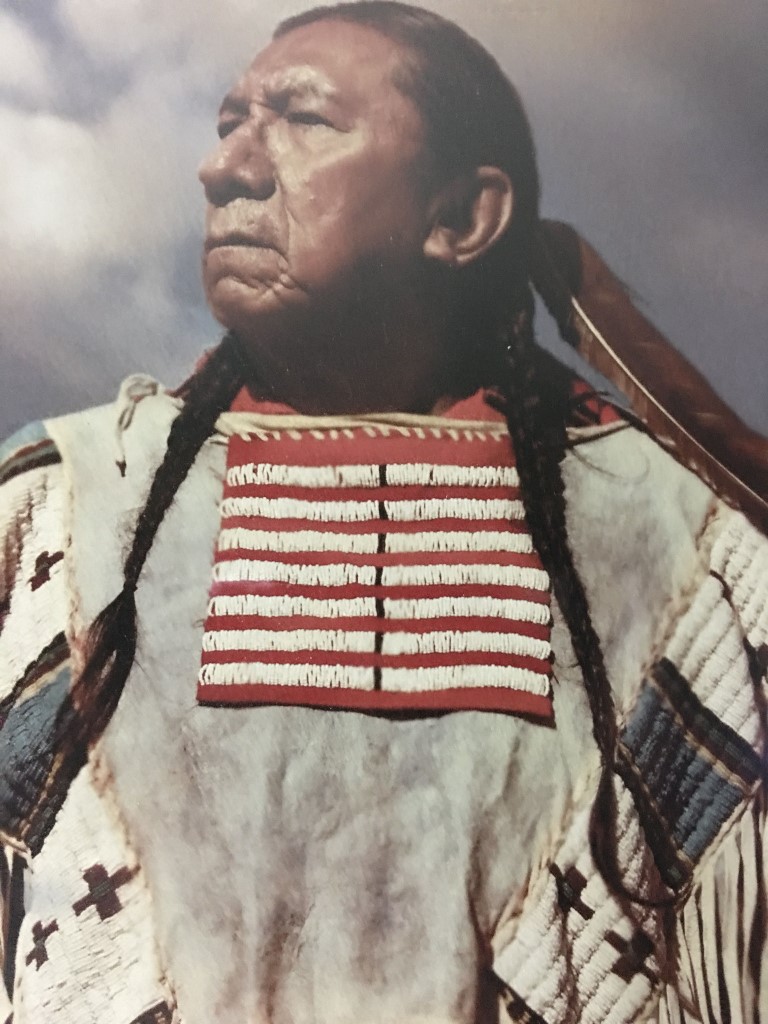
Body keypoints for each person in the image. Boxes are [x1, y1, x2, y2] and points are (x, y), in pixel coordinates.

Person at [0, 3, 765, 1022]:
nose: (224, 164)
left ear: (460, 218)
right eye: (230, 121)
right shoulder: (60, 503)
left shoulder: (681, 548)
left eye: (301, 120)